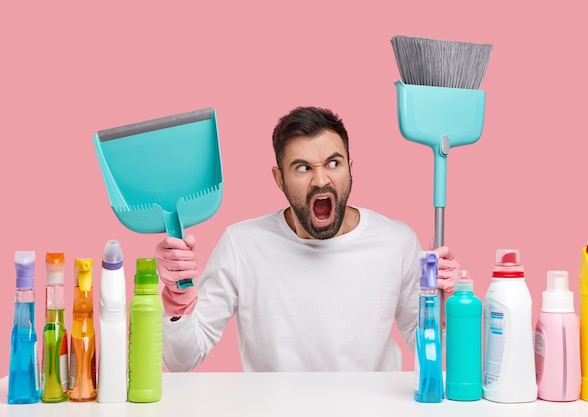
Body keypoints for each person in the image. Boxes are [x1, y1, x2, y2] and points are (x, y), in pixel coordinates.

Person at [155, 106, 459, 372]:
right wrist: (177, 305)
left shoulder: (397, 241)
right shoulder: (241, 245)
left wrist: (448, 308)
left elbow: (433, 350)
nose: (322, 179)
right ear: (279, 179)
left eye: (334, 163)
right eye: (303, 168)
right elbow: (182, 361)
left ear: (351, 170)